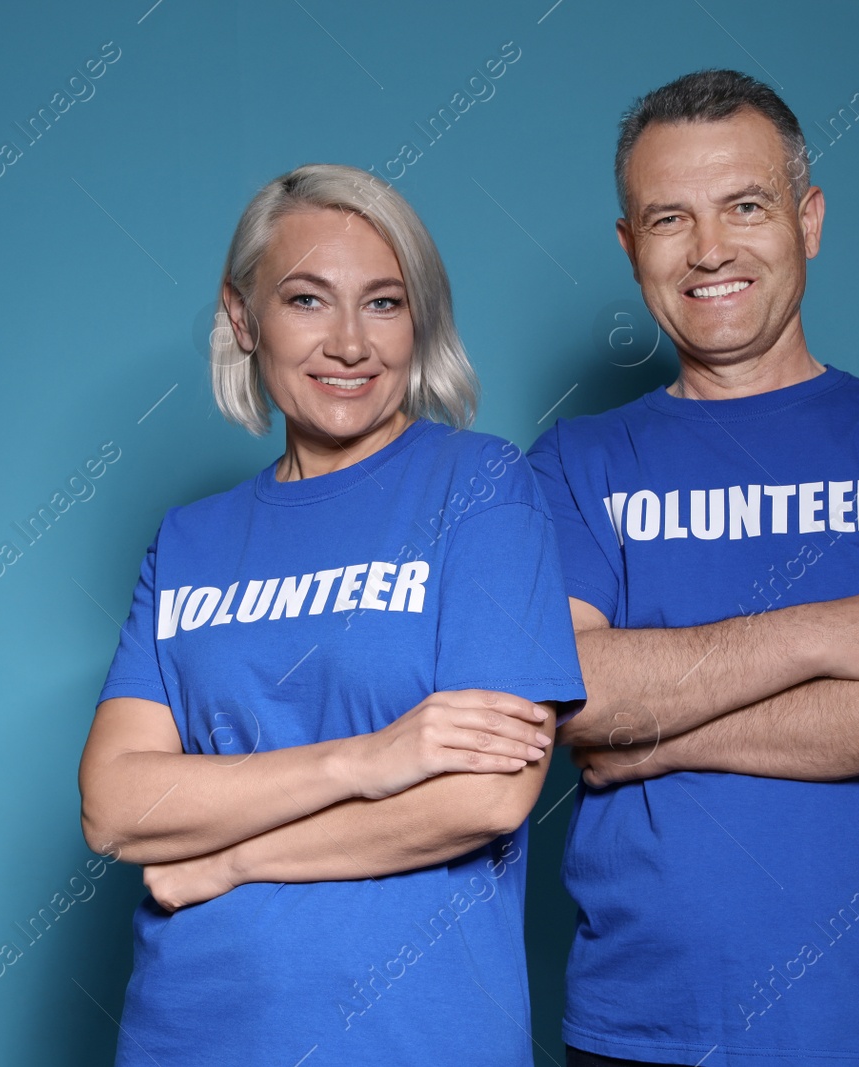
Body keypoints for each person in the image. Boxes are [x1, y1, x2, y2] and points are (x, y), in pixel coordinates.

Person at [527, 71, 859, 1067]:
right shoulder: (574, 462)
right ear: (631, 248)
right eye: (668, 218)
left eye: (744, 206)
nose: (709, 249)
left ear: (807, 219)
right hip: (641, 1025)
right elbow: (582, 706)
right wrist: (830, 630)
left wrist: (659, 736)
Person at [79, 163, 585, 1066]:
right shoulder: (190, 539)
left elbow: (488, 794)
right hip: (187, 1031)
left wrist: (232, 858)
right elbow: (118, 806)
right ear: (243, 318)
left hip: (416, 1035)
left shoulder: (480, 488)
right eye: (307, 299)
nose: (349, 342)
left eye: (384, 303)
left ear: (419, 321)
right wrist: (371, 757)